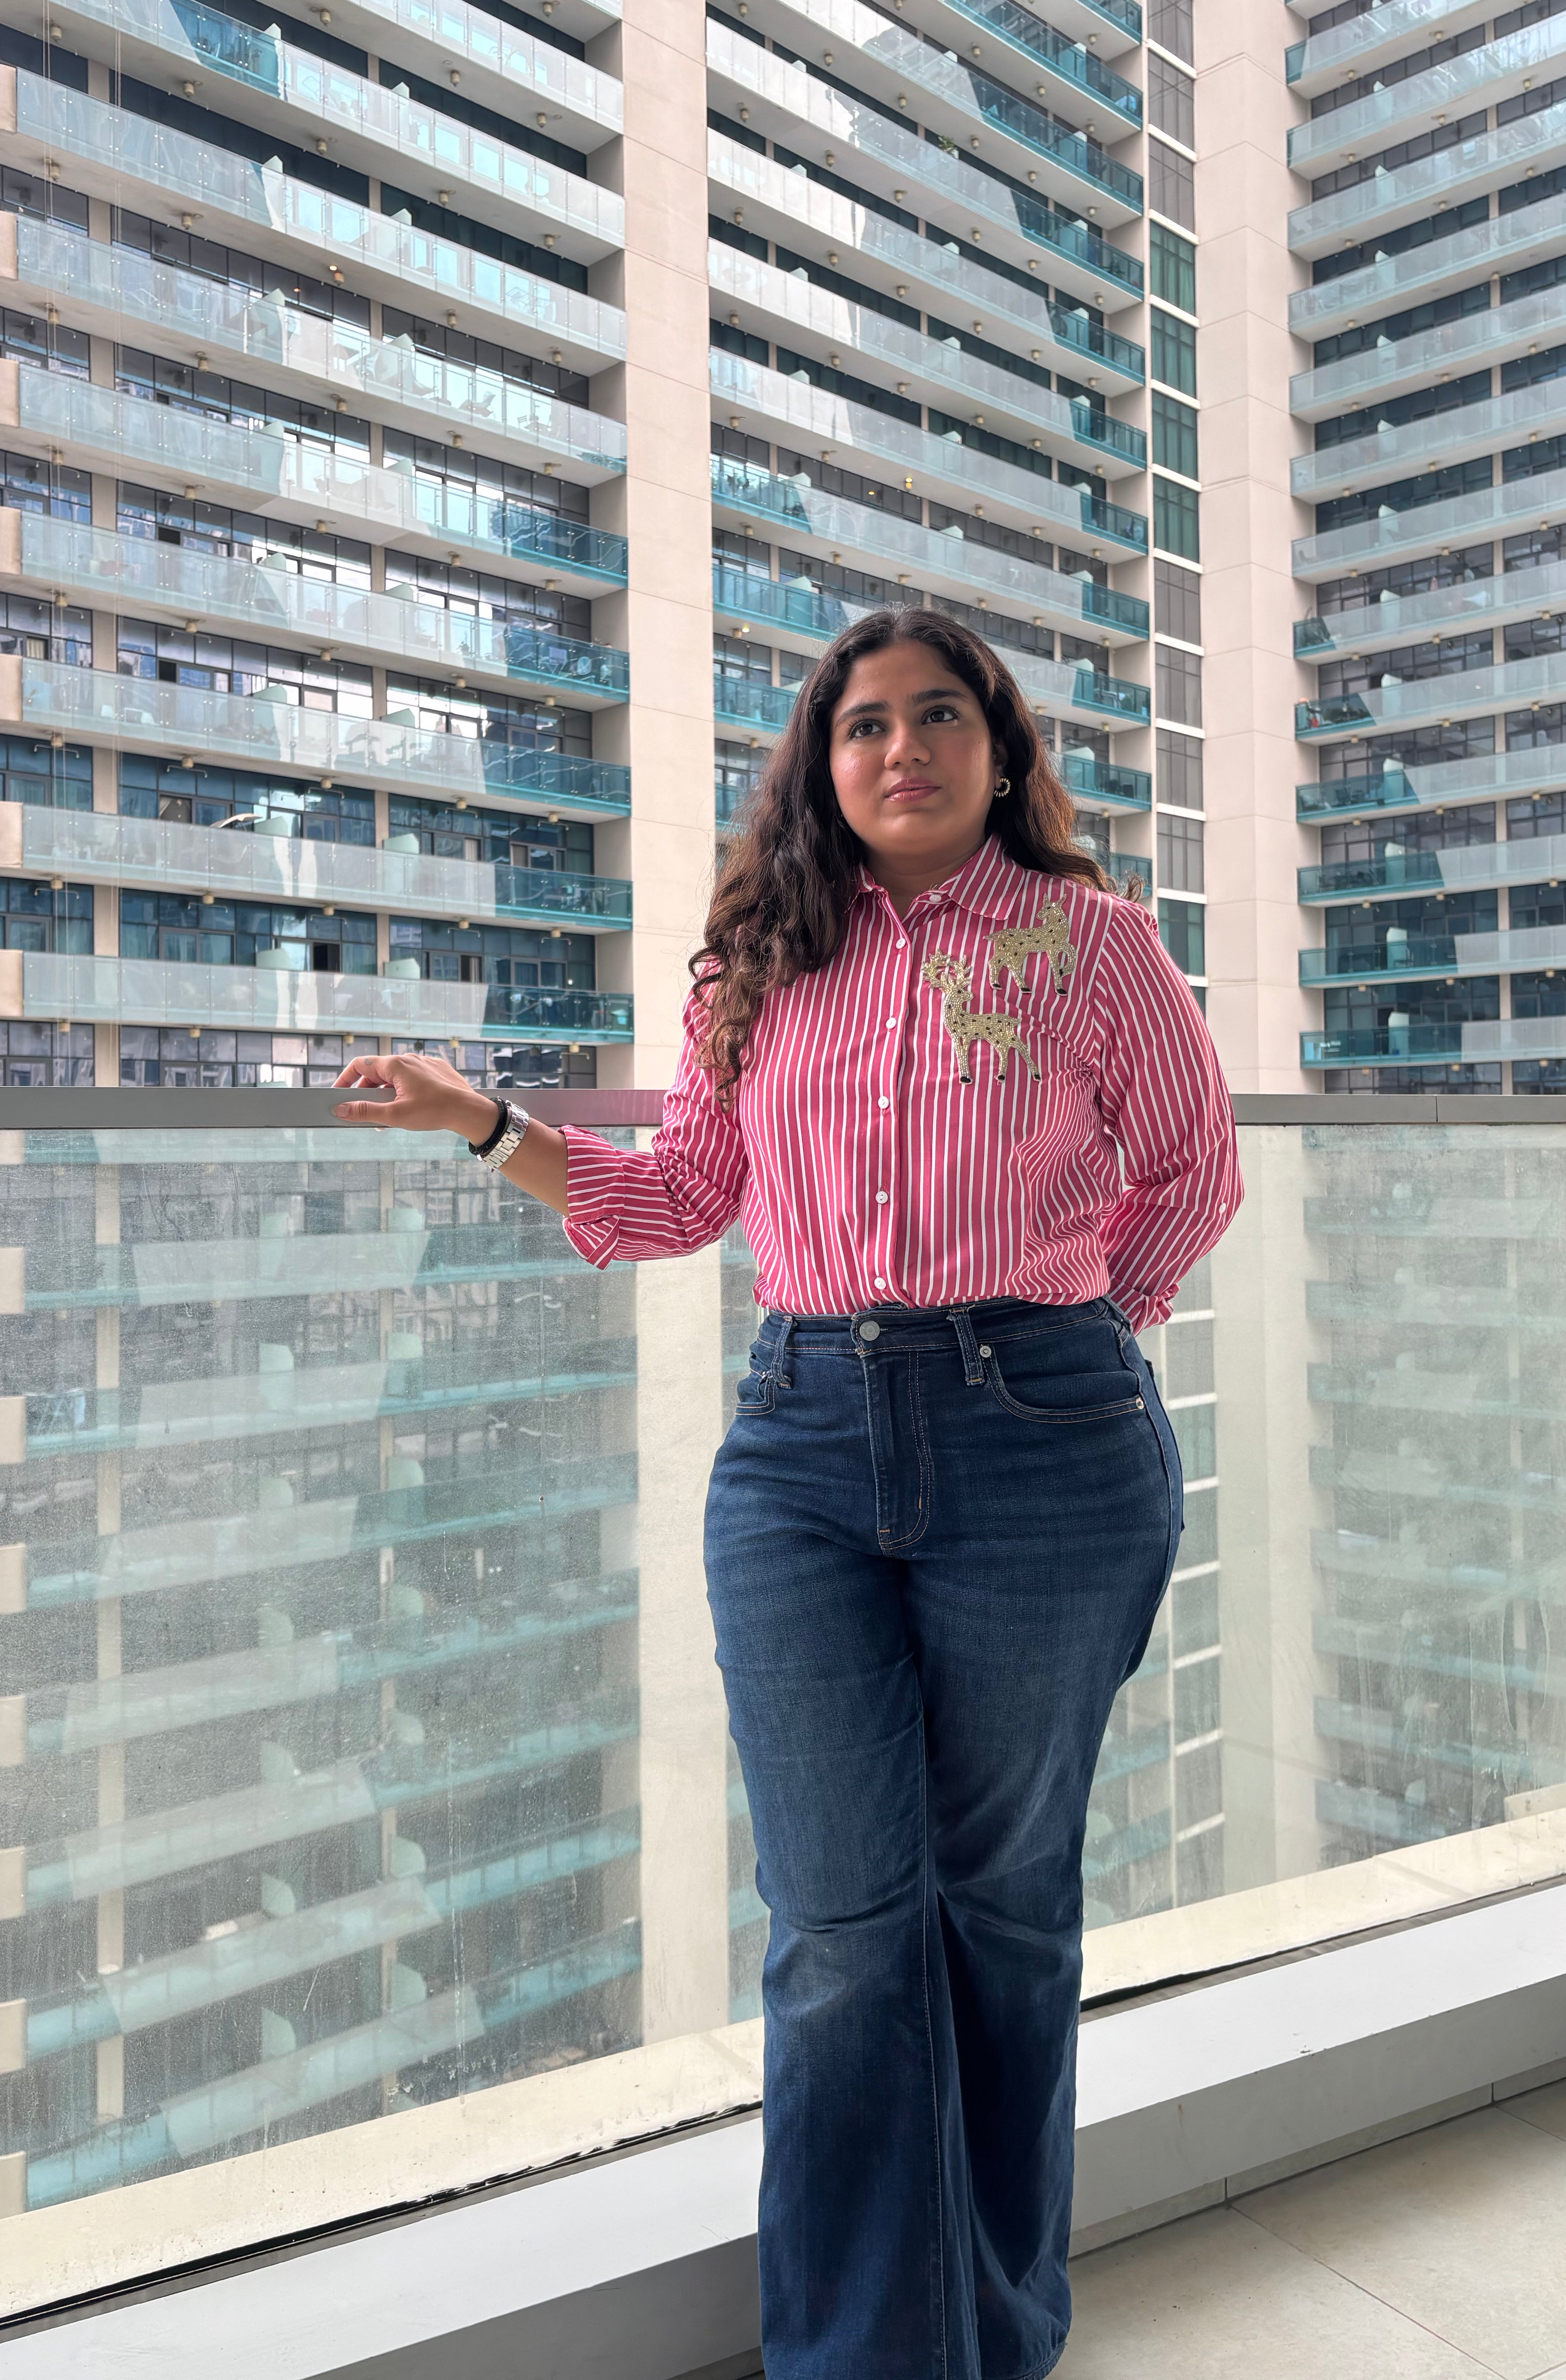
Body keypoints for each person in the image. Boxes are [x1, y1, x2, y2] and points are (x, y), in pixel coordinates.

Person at [335, 608, 1244, 2380]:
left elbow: (1191, 1171)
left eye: (937, 717)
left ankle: (996, 2330)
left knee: (1000, 1915)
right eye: (861, 727)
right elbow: (683, 1200)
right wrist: (480, 1119)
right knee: (839, 1932)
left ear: (1000, 749)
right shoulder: (761, 959)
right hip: (802, 1449)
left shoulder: (1090, 940)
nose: (899, 748)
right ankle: (861, 2360)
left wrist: (1061, 1348)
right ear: (822, 766)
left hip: (1043, 1447)